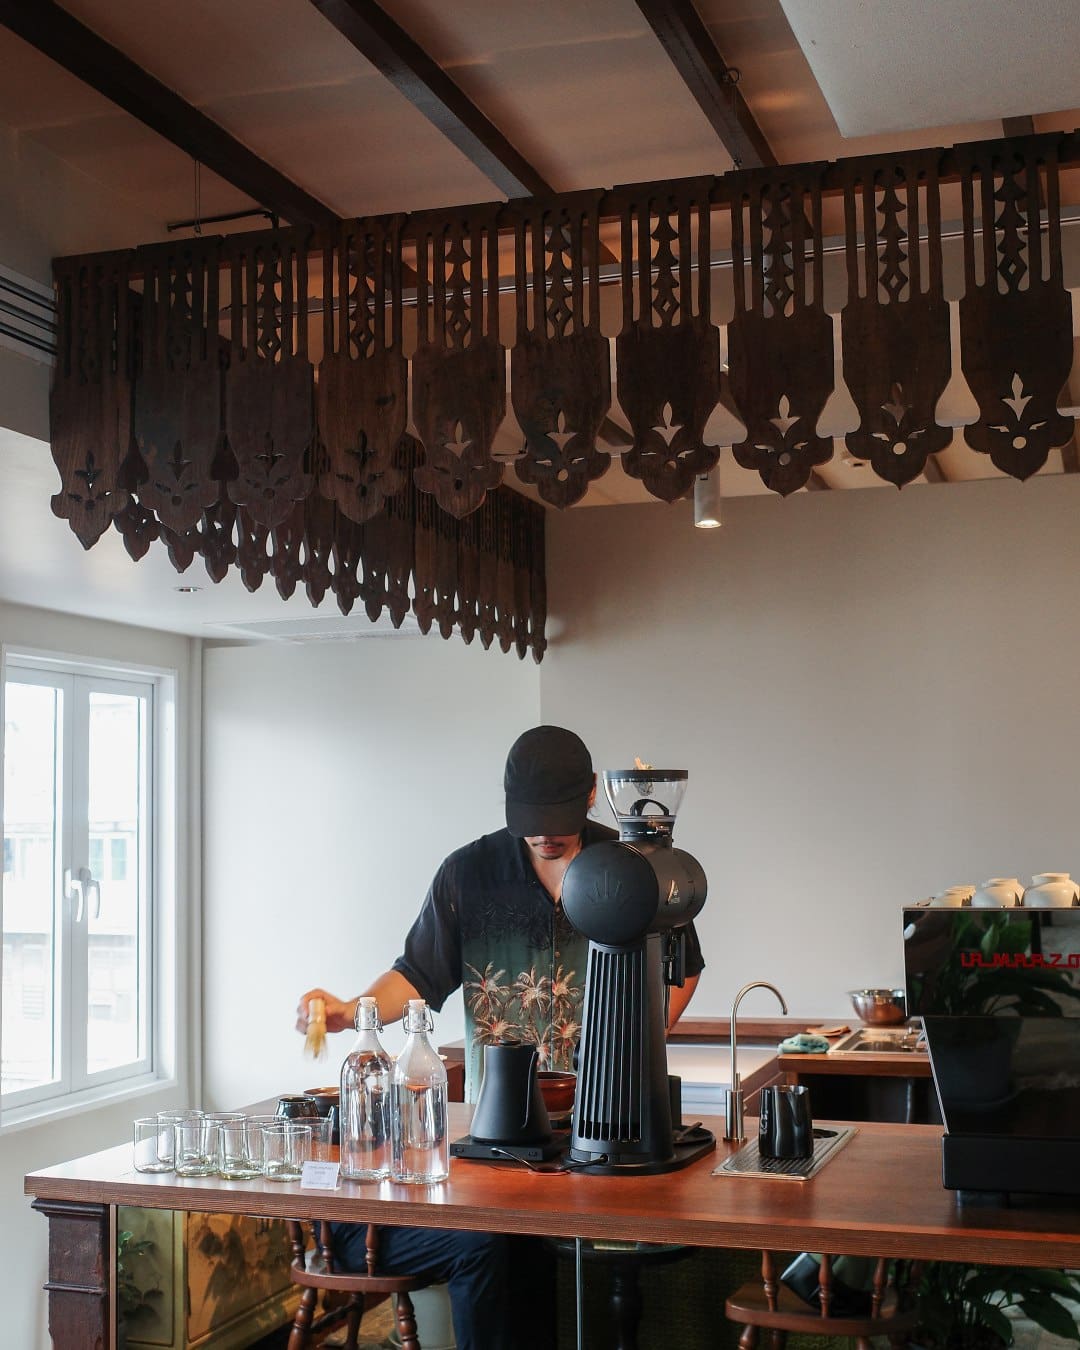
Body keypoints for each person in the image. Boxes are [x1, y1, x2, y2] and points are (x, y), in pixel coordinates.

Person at [296, 725, 705, 1350]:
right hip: (501, 1134)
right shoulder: (468, 874)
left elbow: (685, 969)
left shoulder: (628, 872)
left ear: (592, 795)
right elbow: (418, 974)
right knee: (501, 1254)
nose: (544, 833)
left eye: (559, 818)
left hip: (603, 1128)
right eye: (530, 819)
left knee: (598, 1275)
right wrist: (353, 1010)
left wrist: (635, 1037)